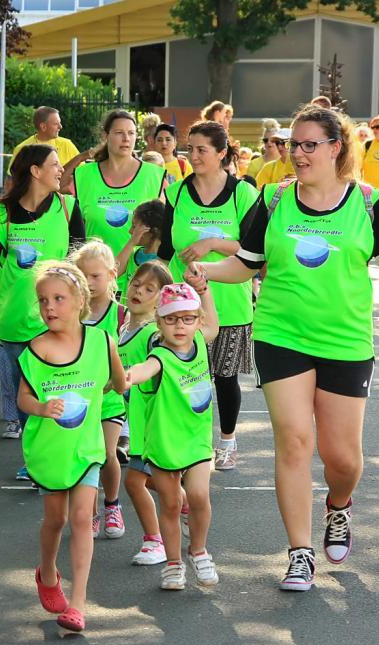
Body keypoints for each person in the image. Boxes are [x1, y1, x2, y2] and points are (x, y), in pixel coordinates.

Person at [187, 105, 379, 592]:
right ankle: (299, 553)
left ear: (335, 148)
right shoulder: (273, 199)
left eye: (309, 145)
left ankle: (339, 505)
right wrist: (205, 273)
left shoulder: (367, 202)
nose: (297, 154)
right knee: (294, 442)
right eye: (292, 145)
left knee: (341, 458)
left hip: (345, 340)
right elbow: (246, 264)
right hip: (280, 335)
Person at [18, 261, 127, 632]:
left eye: (58, 298)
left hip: (86, 448)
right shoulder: (37, 348)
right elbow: (23, 399)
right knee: (56, 520)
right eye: (43, 300)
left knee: (82, 518)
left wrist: (111, 388)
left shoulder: (102, 341)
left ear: (81, 300)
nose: (49, 307)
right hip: (50, 449)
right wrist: (42, 408)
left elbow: (118, 382)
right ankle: (47, 571)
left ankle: (78, 603)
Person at [158, 121, 259, 471]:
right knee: (183, 378)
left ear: (221, 153)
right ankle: (185, 444)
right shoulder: (176, 193)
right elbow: (166, 248)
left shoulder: (243, 193)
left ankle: (227, 441)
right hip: (181, 305)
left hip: (229, 302)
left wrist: (212, 243)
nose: (194, 155)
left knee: (224, 377)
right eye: (190, 148)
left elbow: (253, 248)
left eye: (202, 149)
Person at [0, 144, 85, 451]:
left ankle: (55, 458)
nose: (61, 170)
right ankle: (33, 459)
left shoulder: (68, 208)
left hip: (57, 321)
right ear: (35, 171)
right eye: (55, 164)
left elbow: (79, 267)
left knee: (56, 393)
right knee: (25, 401)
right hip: (14, 322)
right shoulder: (0, 216)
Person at [126, 282, 220, 591]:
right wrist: (126, 377)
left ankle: (199, 551)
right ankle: (173, 562)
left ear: (198, 320)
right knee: (170, 504)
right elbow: (144, 369)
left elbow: (215, 325)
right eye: (171, 319)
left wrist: (204, 289)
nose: (180, 326)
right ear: (159, 321)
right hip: (164, 442)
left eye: (187, 318)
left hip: (196, 440)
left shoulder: (201, 342)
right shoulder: (160, 357)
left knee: (199, 496)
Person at [118, 261, 172, 567]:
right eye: (136, 284)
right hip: (136, 423)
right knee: (155, 483)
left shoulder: (153, 335)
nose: (138, 291)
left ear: (160, 300)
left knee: (134, 482)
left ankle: (155, 541)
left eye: (149, 289)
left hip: (153, 423)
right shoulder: (123, 328)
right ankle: (184, 505)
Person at [72, 240, 126, 540]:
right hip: (80, 399)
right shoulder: (73, 314)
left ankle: (112, 505)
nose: (90, 282)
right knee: (87, 458)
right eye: (84, 276)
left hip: (110, 399)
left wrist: (117, 379)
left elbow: (130, 355)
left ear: (112, 274)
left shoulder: (121, 315)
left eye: (96, 276)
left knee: (107, 453)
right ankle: (90, 513)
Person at [72, 109, 166, 262]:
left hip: (140, 272)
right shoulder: (83, 175)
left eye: (131, 133)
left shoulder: (154, 175)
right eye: (119, 133)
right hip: (95, 270)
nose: (126, 138)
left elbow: (165, 229)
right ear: (106, 136)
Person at [117, 200, 166, 301]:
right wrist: (132, 242)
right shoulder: (132, 254)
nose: (130, 231)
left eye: (134, 227)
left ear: (153, 231)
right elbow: (114, 273)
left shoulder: (166, 261)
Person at [11, 106, 82, 171]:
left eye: (60, 123)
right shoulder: (22, 149)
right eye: (56, 124)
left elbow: (83, 172)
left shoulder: (67, 144)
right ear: (43, 127)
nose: (60, 127)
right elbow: (12, 179)